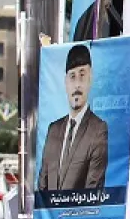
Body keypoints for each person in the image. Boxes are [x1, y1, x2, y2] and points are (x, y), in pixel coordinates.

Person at [37, 45, 108, 192]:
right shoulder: (53, 130)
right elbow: (42, 185)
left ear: (91, 77)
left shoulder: (98, 129)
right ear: (65, 82)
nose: (77, 85)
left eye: (82, 75)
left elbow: (93, 189)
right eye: (72, 76)